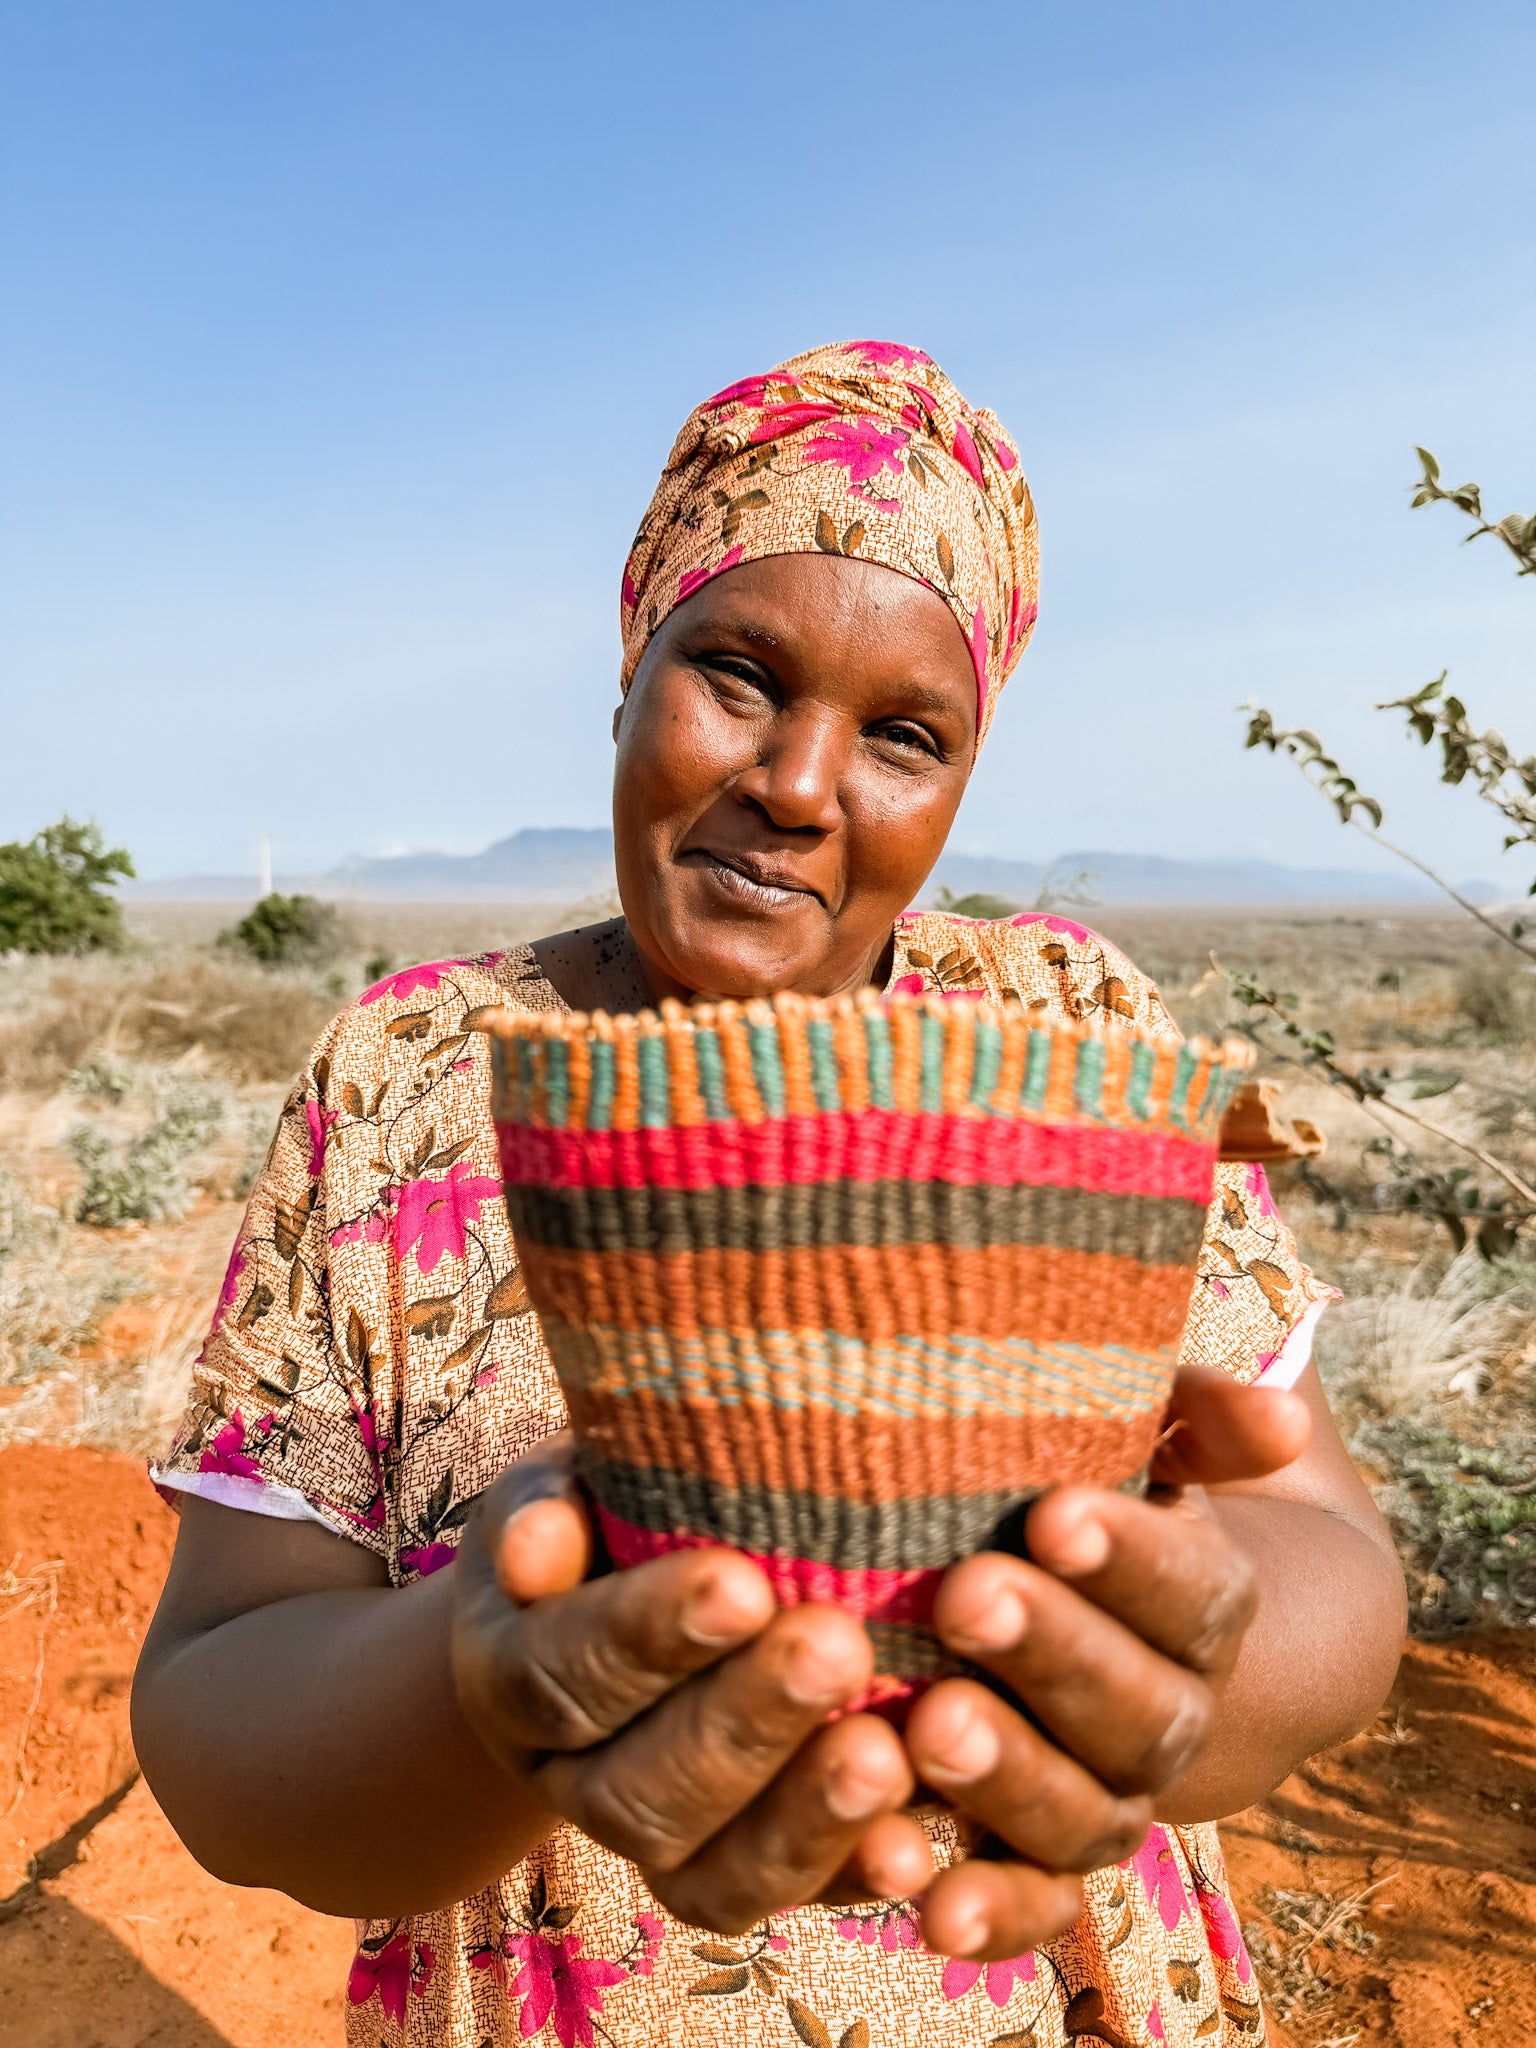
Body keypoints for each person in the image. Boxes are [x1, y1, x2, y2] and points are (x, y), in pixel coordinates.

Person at [132, 341, 1406, 2048]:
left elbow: (1328, 1557)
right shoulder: (409, 1079)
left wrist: (1142, 1627)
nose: (800, 786)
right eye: (735, 675)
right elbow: (225, 1705)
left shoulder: (1055, 1038)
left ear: (959, 789)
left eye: (901, 736)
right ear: (628, 674)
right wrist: (500, 1668)